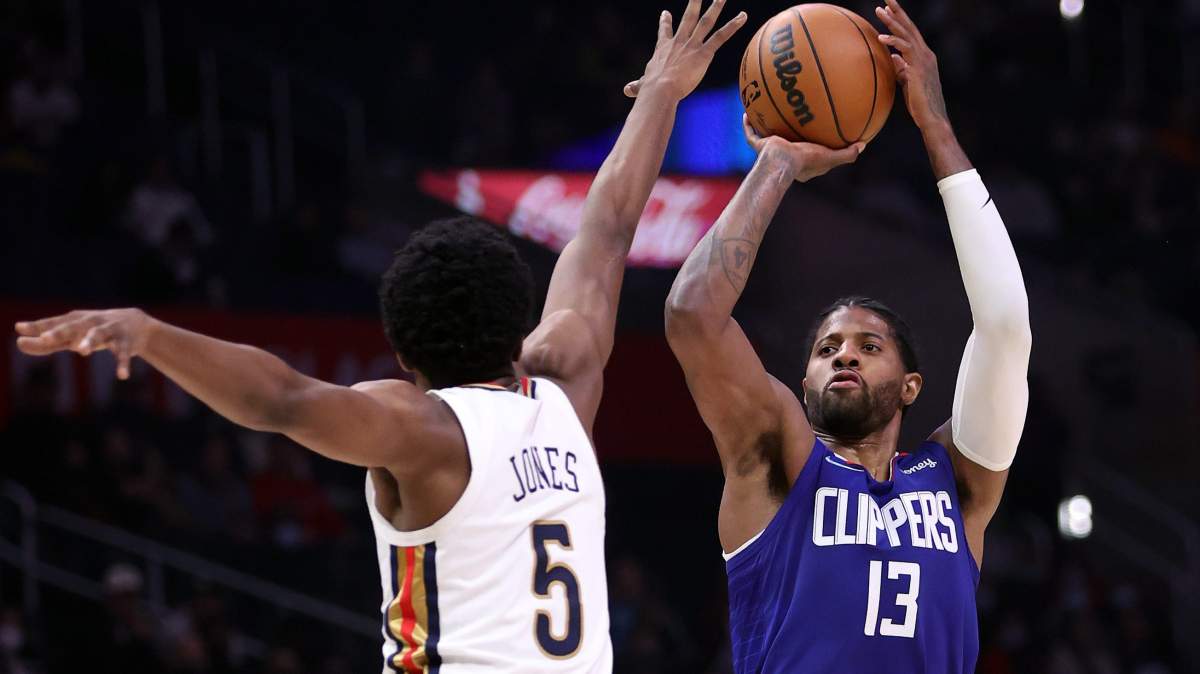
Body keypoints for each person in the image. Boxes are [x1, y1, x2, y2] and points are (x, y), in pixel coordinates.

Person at [12, 2, 746, 671]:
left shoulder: (423, 430)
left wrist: (149, 333)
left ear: (401, 353)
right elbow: (608, 227)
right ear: (517, 316)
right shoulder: (568, 379)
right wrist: (661, 93)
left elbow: (280, 399)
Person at [662, 1, 1031, 671]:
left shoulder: (955, 482)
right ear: (802, 381)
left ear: (911, 385)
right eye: (827, 349)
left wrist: (935, 126)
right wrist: (777, 162)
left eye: (868, 346)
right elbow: (692, 315)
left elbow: (1005, 326)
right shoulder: (778, 459)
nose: (844, 356)